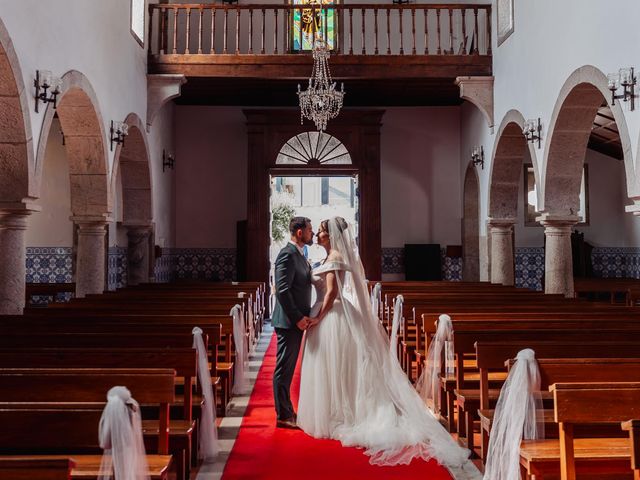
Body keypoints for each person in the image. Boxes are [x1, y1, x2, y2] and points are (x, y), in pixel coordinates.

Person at [296, 217, 470, 470]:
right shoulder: (329, 256)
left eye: (321, 232)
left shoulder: (333, 257)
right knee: (335, 366)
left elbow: (332, 292)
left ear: (330, 236)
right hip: (331, 314)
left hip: (332, 315)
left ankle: (340, 413)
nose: (318, 235)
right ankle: (337, 410)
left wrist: (318, 317)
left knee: (334, 365)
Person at [271, 216, 314, 429]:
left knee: (287, 368)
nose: (312, 233)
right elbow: (282, 290)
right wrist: (297, 317)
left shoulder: (299, 254)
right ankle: (283, 415)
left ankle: (287, 410)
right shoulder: (287, 254)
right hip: (289, 322)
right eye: (309, 230)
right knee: (283, 368)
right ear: (299, 232)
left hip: (295, 321)